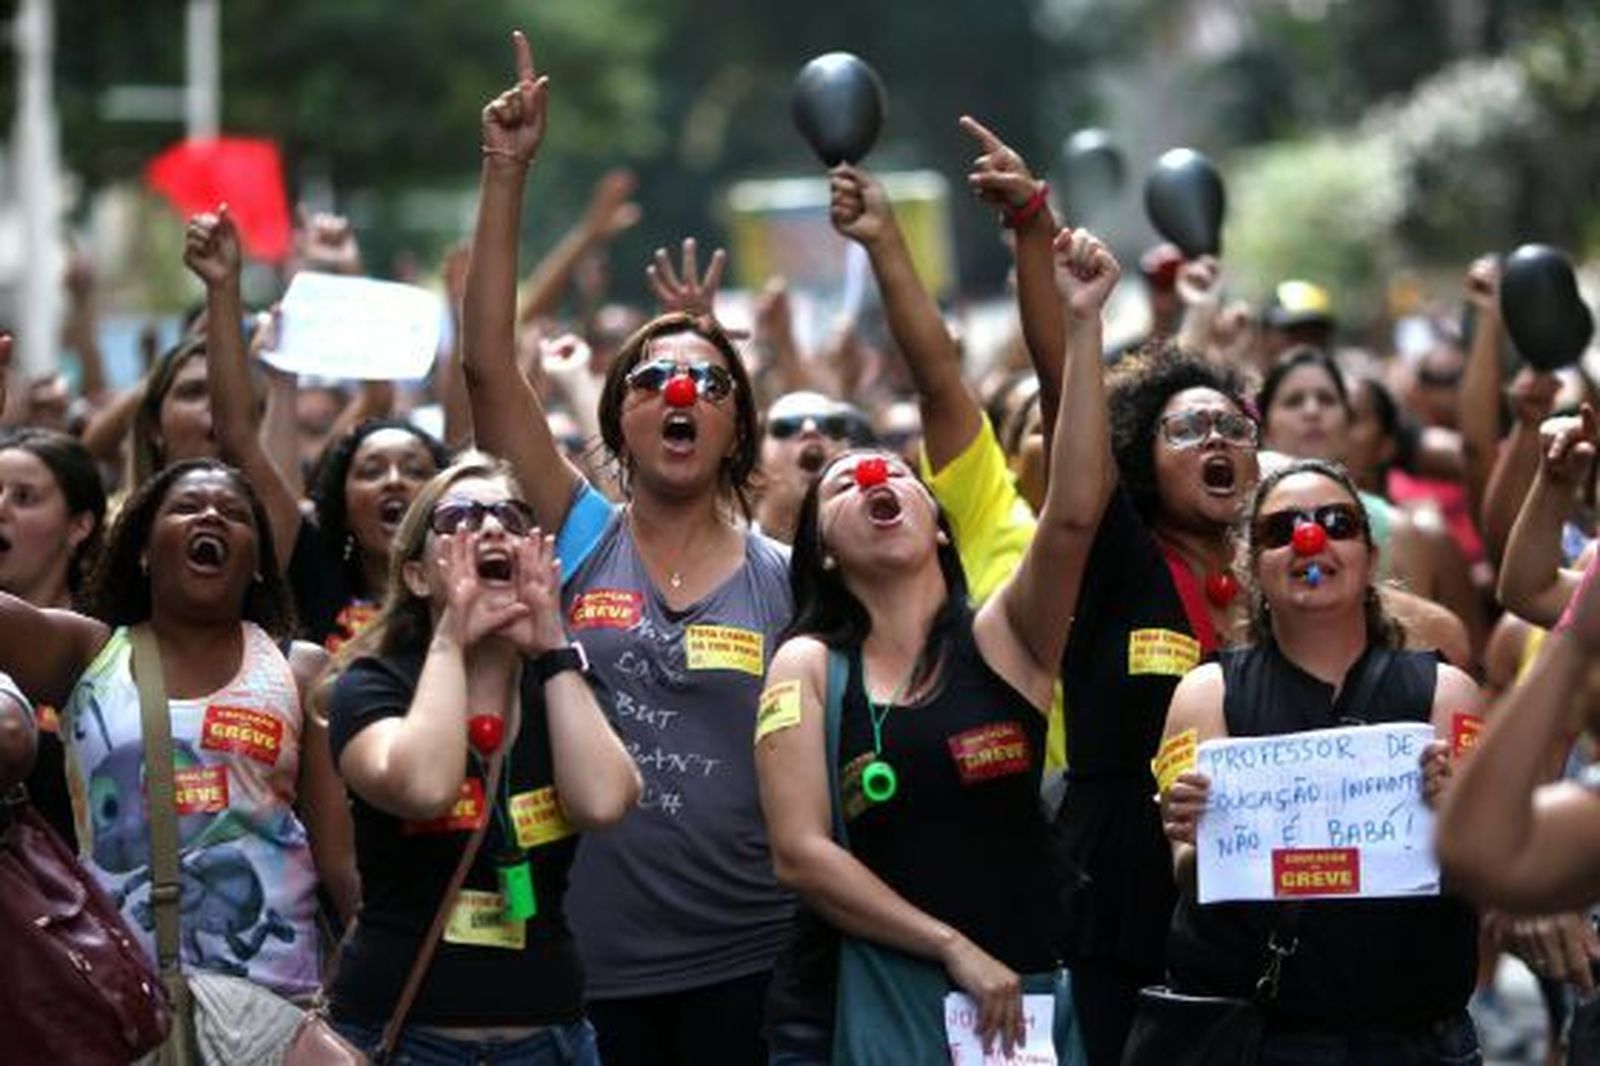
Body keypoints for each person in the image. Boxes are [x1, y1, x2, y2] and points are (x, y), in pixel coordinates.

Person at [460, 32, 793, 1064]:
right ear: (617, 421)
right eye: (650, 380)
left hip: (755, 960)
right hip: (589, 965)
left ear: (737, 425)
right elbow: (483, 367)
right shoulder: (581, 534)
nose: (678, 394)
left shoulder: (786, 576)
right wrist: (506, 172)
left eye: (706, 381)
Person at [755, 223, 1112, 1062]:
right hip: (862, 1004)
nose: (877, 478)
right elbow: (800, 855)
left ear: (943, 533)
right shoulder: (806, 666)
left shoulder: (1006, 641)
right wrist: (949, 945)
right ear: (827, 553)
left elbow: (1073, 511)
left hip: (1015, 1008)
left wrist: (1085, 326)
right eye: (844, 484)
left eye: (899, 477)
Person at [1157, 458, 1483, 1060]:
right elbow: (1189, 869)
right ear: (1252, 565)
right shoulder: (1204, 694)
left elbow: (1482, 873)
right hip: (1263, 1040)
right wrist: (1193, 831)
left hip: (1413, 1038)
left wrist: (1458, 819)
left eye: (1337, 522)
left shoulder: (1448, 693)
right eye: (1281, 530)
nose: (1312, 539)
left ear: (1370, 556)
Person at [0, 447, 354, 995]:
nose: (210, 517)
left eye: (233, 514)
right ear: (142, 547)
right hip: (125, 1006)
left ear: (259, 560)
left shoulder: (299, 669)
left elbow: (340, 858)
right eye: (187, 507)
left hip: (278, 1003)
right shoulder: (85, 654)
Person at [325, 454, 638, 1061]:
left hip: (547, 1038)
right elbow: (423, 787)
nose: (492, 528)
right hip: (403, 1037)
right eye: (460, 518)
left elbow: (602, 802)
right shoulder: (373, 684)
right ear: (417, 576)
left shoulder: (562, 684)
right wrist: (451, 638)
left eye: (511, 517)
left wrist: (552, 645)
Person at [1038, 297, 1260, 1061]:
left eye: (1233, 427)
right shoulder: (1116, 560)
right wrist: (1074, 310)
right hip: (1124, 889)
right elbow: (1062, 395)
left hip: (1251, 894)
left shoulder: (1281, 580)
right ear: (1137, 455)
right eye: (1189, 431)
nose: (1216, 441)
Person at [183, 208, 451, 652]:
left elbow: (386, 390)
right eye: (369, 471)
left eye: (414, 469)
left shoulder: (466, 586)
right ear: (339, 504)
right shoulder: (312, 573)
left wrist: (349, 275)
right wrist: (224, 287)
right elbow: (239, 440)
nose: (394, 480)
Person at [0, 427, 107, 848]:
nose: (1, 508)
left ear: (79, 526)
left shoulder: (108, 650)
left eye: (24, 497)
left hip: (85, 900)